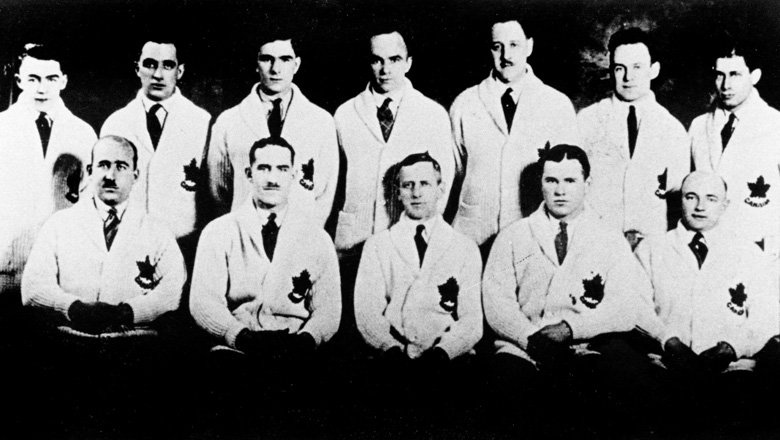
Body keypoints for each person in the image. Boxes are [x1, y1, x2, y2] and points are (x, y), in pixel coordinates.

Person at [482, 144, 655, 433]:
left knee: (606, 391)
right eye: (552, 181)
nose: (560, 191)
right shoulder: (514, 236)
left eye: (570, 181)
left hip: (585, 345)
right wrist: (530, 339)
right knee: (505, 390)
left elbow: (624, 307)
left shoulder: (608, 238)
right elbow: (497, 302)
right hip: (522, 345)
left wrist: (571, 329)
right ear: (541, 184)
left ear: (587, 184)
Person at [333, 29, 456, 351]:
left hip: (407, 240)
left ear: (409, 63)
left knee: (407, 323)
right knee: (357, 334)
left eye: (394, 60)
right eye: (377, 60)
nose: (385, 69)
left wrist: (418, 232)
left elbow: (444, 181)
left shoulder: (432, 113)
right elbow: (332, 183)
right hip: (354, 239)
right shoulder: (345, 114)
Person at [634, 170, 779, 429]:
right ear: (680, 201)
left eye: (711, 198)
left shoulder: (747, 252)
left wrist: (731, 348)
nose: (700, 206)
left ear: (725, 205)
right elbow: (637, 308)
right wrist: (670, 343)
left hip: (732, 369)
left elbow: (768, 315)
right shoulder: (651, 249)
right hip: (666, 366)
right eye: (692, 197)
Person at [190, 136, 340, 363]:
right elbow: (203, 302)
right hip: (236, 347)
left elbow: (329, 310)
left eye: (282, 169)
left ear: (294, 175)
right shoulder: (219, 231)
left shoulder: (317, 238)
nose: (272, 179)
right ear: (249, 174)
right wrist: (240, 336)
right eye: (263, 168)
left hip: (296, 346)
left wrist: (306, 340)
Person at [22, 135, 185, 334]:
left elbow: (173, 290)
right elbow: (33, 288)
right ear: (90, 172)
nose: (110, 176)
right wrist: (74, 308)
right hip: (69, 339)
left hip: (133, 343)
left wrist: (128, 312)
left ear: (136, 175)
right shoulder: (58, 225)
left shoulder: (158, 232)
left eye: (121, 166)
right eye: (103, 165)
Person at [449, 17, 579, 259]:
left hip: (533, 238)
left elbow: (571, 181)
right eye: (497, 46)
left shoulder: (556, 104)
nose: (505, 55)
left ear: (529, 46)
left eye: (514, 45)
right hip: (471, 235)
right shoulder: (465, 103)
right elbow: (452, 175)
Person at [206, 30, 338, 227]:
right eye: (267, 59)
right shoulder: (228, 121)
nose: (276, 69)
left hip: (300, 233)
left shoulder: (321, 121)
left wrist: (309, 233)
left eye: (285, 59)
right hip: (244, 230)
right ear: (255, 63)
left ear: (297, 64)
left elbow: (325, 192)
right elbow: (219, 191)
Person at [100, 36, 211, 267]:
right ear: (137, 68)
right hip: (127, 244)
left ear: (180, 71)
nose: (158, 74)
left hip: (184, 245)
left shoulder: (202, 123)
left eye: (167, 65)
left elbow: (212, 194)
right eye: (150, 64)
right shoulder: (116, 123)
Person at [0, 43, 96, 305]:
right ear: (19, 81)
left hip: (59, 269)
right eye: (33, 79)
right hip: (5, 263)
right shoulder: (2, 127)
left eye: (51, 78)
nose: (42, 88)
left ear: (63, 80)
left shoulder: (83, 133)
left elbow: (89, 203)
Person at [578, 27, 689, 249]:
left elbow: (679, 201)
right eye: (620, 68)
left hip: (652, 247)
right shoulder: (587, 120)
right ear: (611, 71)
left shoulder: (672, 129)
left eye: (637, 67)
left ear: (654, 69)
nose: (628, 77)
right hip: (595, 245)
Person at [690, 33, 780, 258]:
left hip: (761, 251)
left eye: (735, 75)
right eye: (720, 75)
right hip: (707, 252)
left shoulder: (775, 125)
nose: (726, 85)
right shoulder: (698, 127)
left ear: (755, 76)